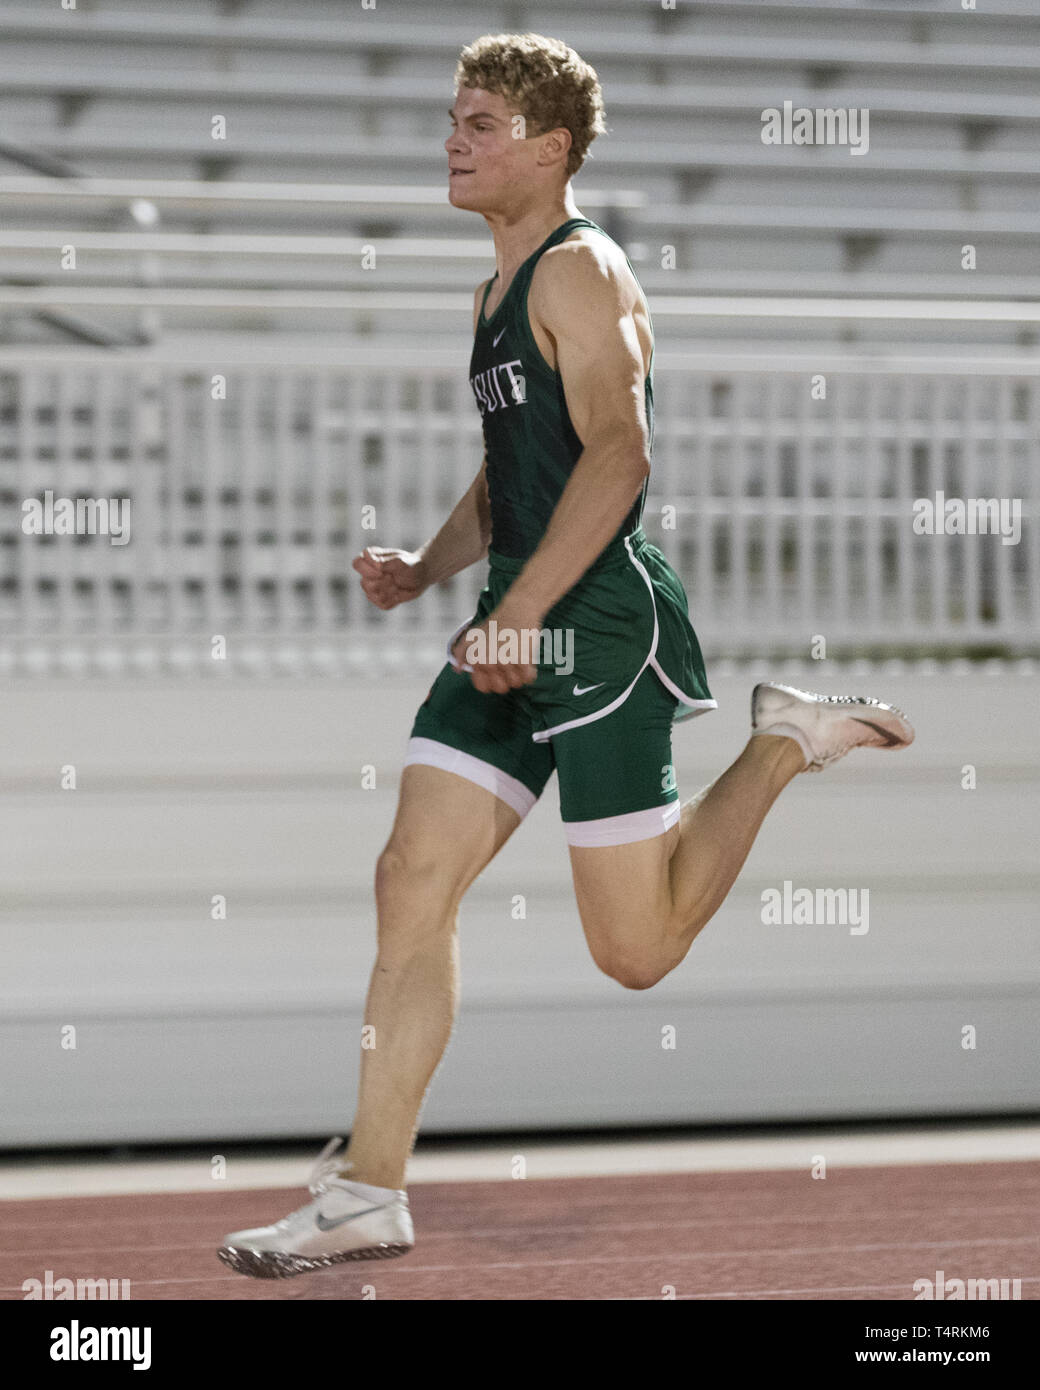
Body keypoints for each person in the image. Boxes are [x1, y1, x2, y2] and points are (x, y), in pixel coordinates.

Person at [218, 33, 912, 1280]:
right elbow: (514, 474)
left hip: (594, 628)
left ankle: (779, 740)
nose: (451, 138)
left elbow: (619, 457)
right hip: (513, 617)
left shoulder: (579, 271)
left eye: (479, 123)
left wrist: (517, 613)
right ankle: (368, 1192)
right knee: (407, 879)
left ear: (549, 149)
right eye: (449, 116)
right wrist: (431, 573)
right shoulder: (493, 289)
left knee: (632, 954)